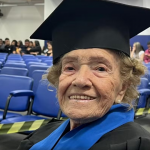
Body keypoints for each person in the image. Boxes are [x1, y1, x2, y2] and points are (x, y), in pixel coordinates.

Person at [18, 0, 150, 150]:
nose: (80, 80)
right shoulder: (43, 135)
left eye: (100, 69)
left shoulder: (137, 145)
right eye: (69, 68)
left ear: (123, 88)